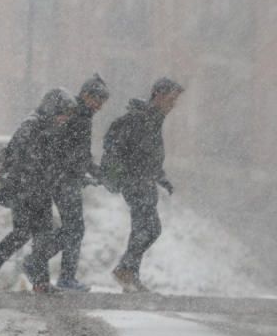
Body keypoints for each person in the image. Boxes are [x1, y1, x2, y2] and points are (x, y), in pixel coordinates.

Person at [0, 88, 76, 294]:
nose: (65, 118)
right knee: (39, 233)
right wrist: (37, 183)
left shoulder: (44, 126)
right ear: (53, 109)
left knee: (27, 233)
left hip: (33, 189)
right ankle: (37, 282)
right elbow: (22, 159)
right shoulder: (33, 126)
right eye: (63, 112)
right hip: (26, 189)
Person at [101, 77, 184, 293]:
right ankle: (125, 271)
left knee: (143, 228)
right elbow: (122, 150)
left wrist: (161, 177)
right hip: (136, 182)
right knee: (150, 228)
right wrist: (129, 175)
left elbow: (151, 156)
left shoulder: (153, 119)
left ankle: (129, 275)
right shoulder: (140, 120)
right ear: (158, 95)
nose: (173, 105)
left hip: (144, 181)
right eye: (171, 99)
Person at [51, 74, 110, 292]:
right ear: (86, 95)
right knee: (74, 228)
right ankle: (62, 276)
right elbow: (71, 153)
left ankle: (38, 263)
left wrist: (93, 172)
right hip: (64, 180)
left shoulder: (80, 115)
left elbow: (79, 154)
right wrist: (86, 171)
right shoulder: (77, 116)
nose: (100, 107)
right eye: (98, 101)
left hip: (65, 178)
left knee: (71, 228)